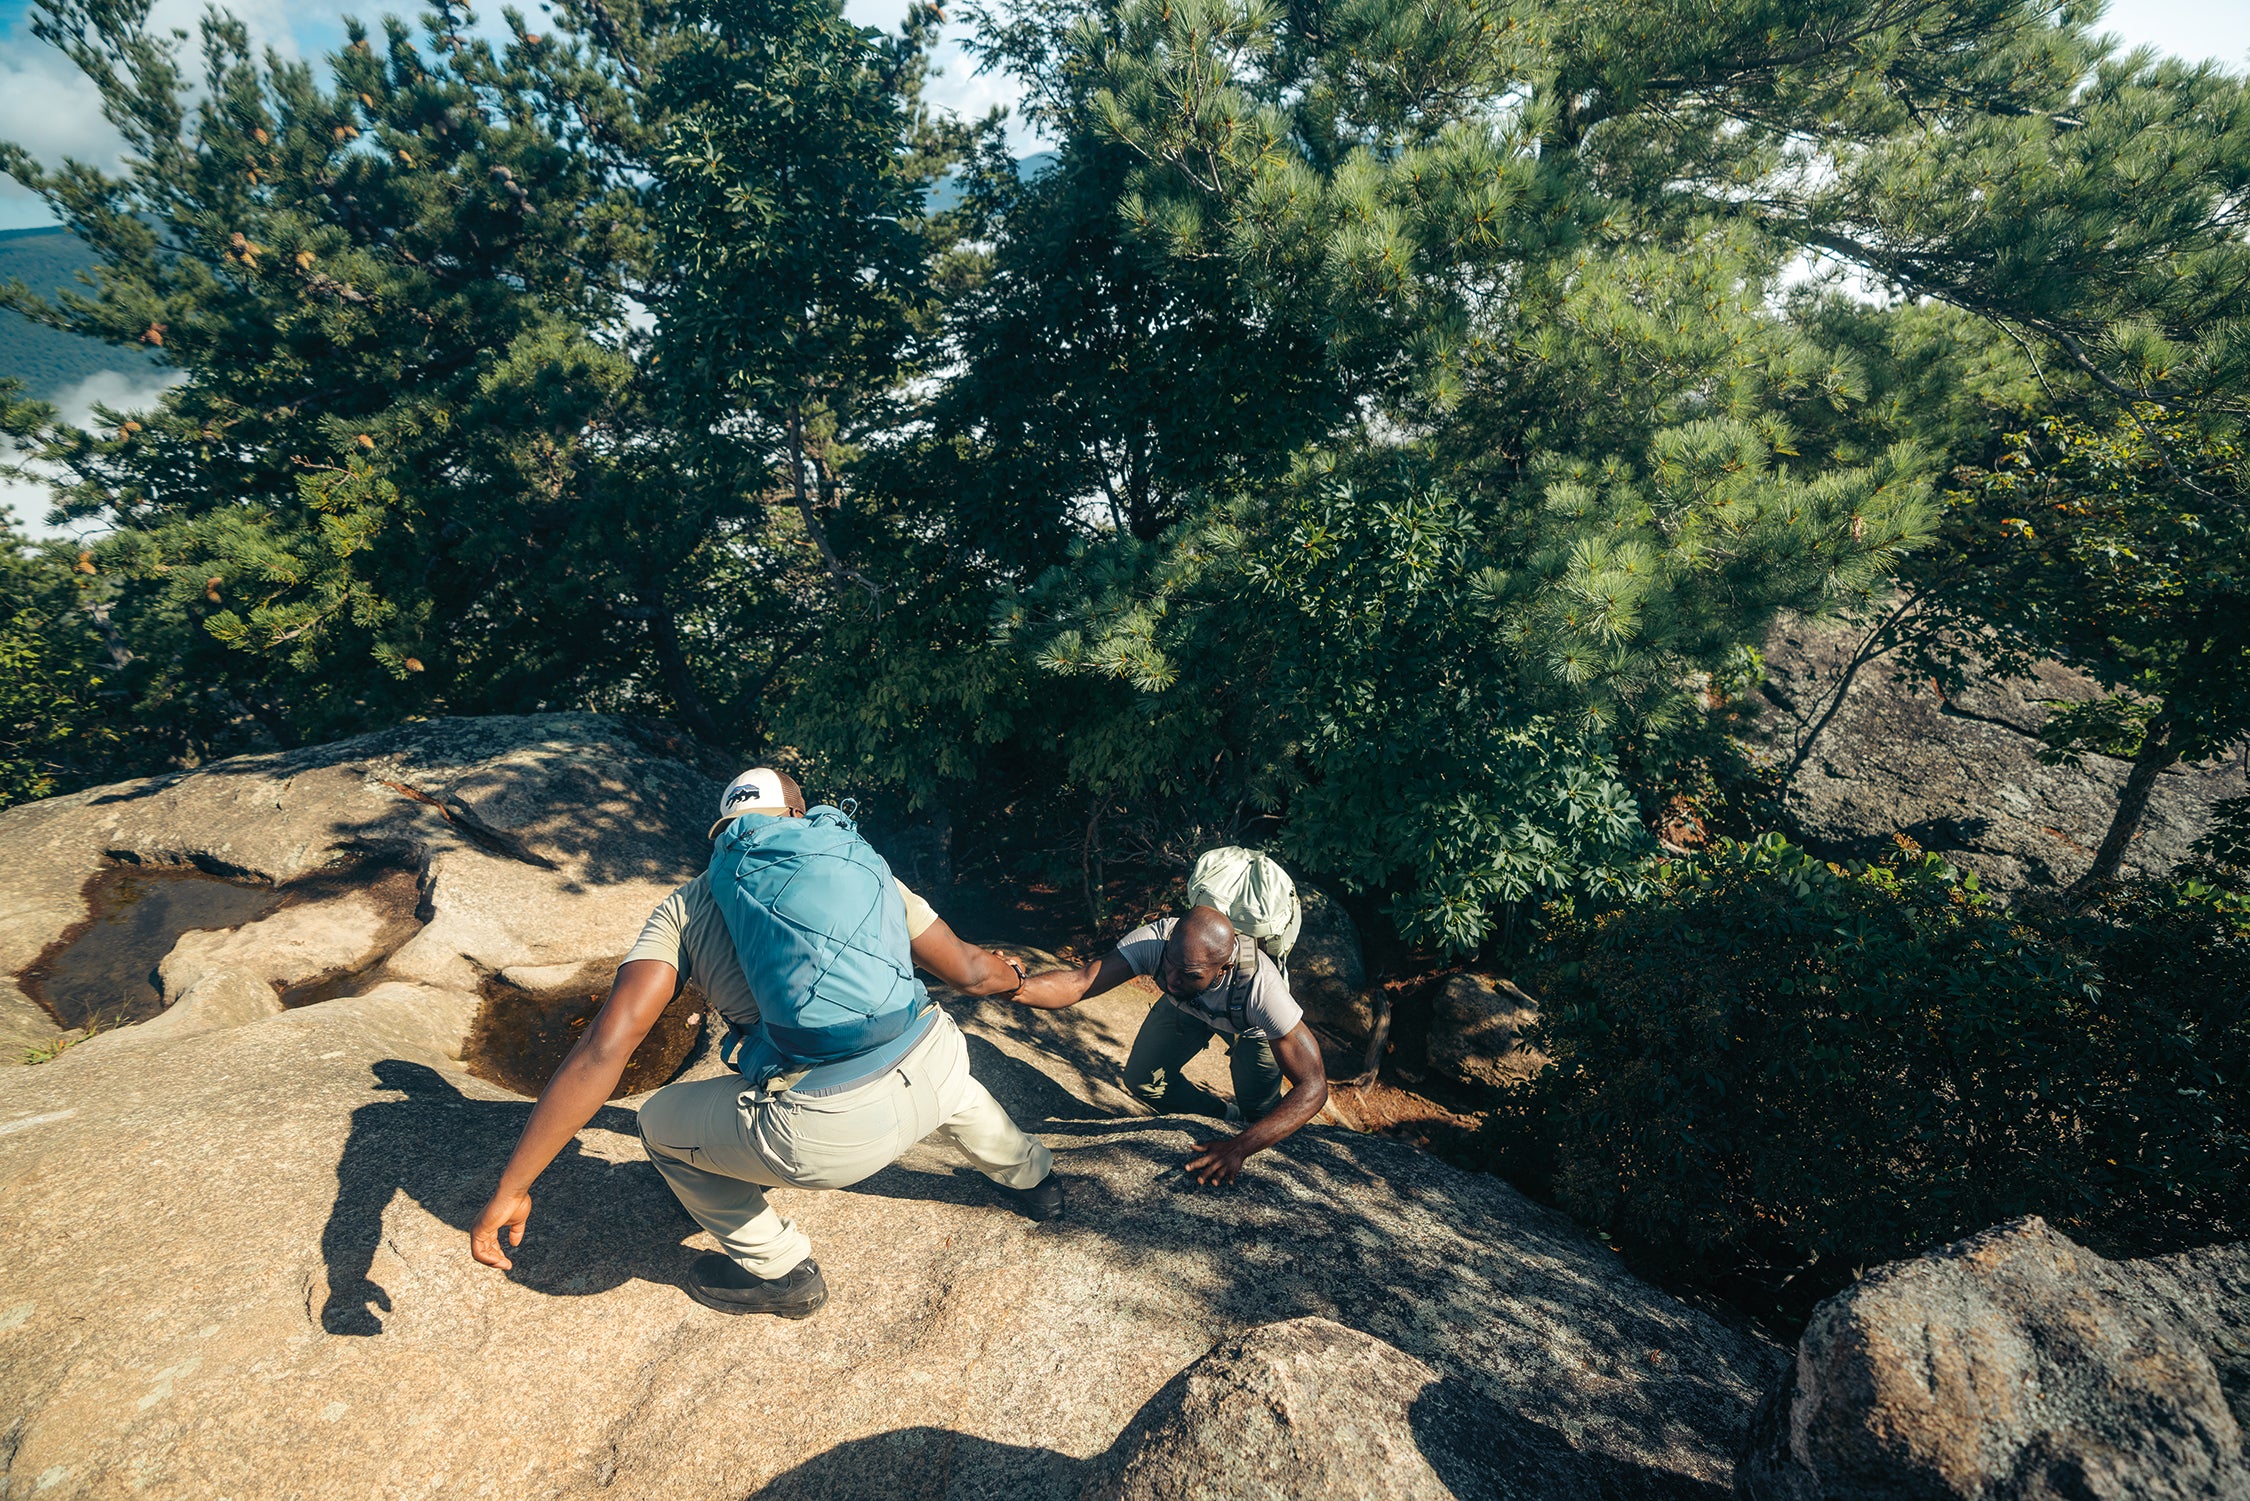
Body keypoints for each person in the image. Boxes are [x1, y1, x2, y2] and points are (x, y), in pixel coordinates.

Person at [469, 768, 1061, 1319]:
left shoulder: (686, 905)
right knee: (949, 1073)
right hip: (935, 1060)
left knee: (658, 1124)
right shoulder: (860, 865)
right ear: (799, 813)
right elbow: (971, 972)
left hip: (833, 1132)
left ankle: (780, 1273)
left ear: (723, 832)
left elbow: (608, 1043)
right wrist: (1019, 980)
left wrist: (514, 1185)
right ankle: (1036, 1181)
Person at [1007, 904, 1328, 1186]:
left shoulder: (1262, 989)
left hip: (1252, 1026)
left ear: (1224, 968)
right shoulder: (1156, 942)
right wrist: (1015, 986)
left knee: (1258, 1115)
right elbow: (1079, 983)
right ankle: (1220, 1115)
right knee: (1142, 1079)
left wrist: (1240, 1147)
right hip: (1187, 1008)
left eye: (1189, 974)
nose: (1171, 979)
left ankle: (1243, 1127)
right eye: (1170, 963)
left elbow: (1313, 1086)